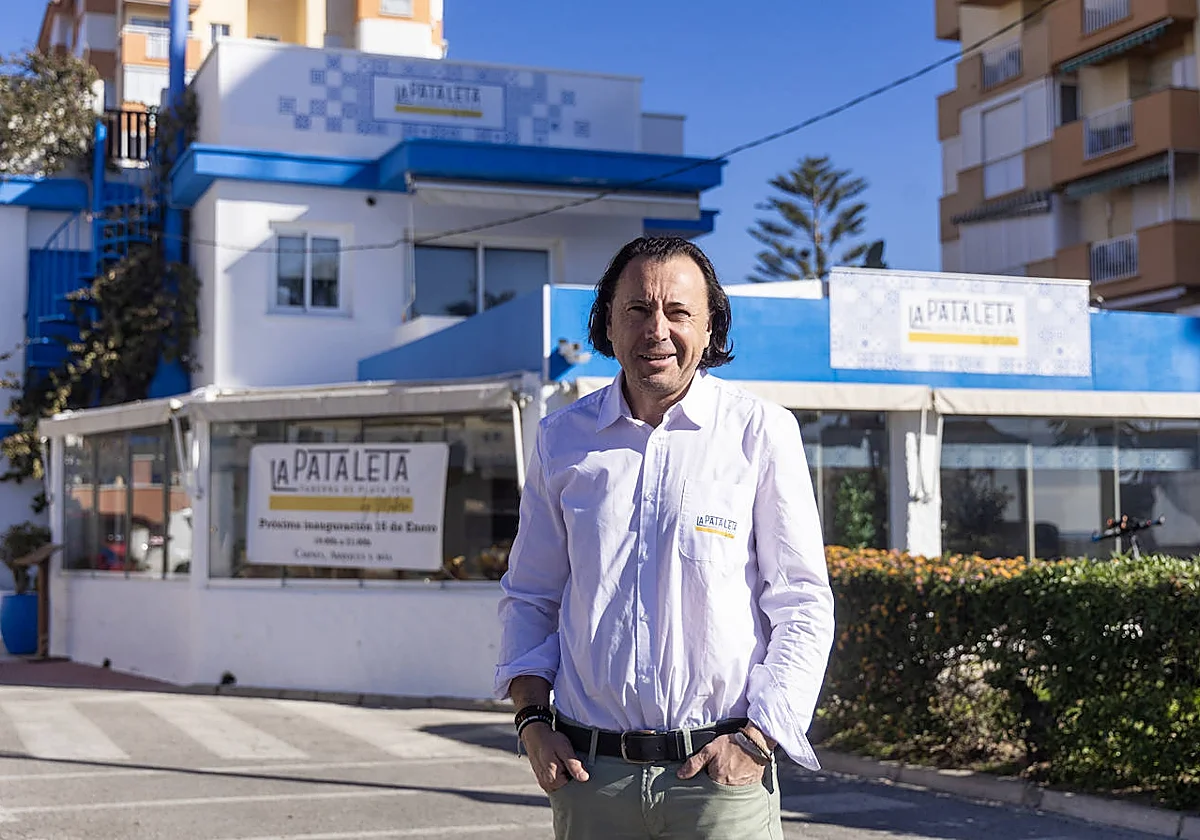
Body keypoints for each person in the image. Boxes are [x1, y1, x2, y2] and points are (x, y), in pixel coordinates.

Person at [493, 235, 835, 839]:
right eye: (637, 309)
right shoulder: (560, 440)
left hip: (720, 785)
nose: (657, 330)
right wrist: (532, 723)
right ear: (608, 323)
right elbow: (531, 596)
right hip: (591, 780)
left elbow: (802, 602)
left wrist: (759, 738)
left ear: (710, 327)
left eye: (678, 312)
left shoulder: (760, 432)